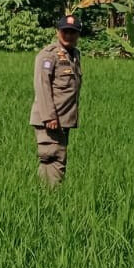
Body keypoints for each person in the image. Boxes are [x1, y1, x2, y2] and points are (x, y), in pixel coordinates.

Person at [31, 14, 84, 186]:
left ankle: (47, 194)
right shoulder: (48, 56)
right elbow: (42, 87)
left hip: (63, 119)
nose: (68, 35)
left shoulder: (74, 55)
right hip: (50, 120)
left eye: (72, 32)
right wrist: (49, 117)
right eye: (65, 31)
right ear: (57, 32)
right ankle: (50, 196)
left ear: (78, 34)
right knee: (53, 158)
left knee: (57, 158)